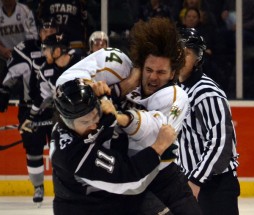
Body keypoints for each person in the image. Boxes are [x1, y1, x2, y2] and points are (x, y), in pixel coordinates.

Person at [56, 17, 202, 215]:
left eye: (161, 72)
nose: (153, 77)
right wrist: (92, 87)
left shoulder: (175, 97)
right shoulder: (115, 64)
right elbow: (65, 86)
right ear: (139, 64)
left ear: (172, 73)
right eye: (148, 69)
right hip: (118, 177)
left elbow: (155, 133)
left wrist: (119, 111)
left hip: (157, 172)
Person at [51, 78, 178, 215]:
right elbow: (132, 181)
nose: (94, 124)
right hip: (86, 207)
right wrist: (159, 148)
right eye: (86, 122)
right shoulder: (73, 156)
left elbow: (102, 123)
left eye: (95, 115)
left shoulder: (77, 123)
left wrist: (104, 95)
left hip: (111, 198)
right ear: (67, 122)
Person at [0, 18, 57, 205]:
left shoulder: (63, 50)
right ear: (39, 32)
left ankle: (62, 185)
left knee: (62, 150)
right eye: (46, 30)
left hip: (57, 111)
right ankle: (38, 186)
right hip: (30, 110)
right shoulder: (27, 49)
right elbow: (12, 74)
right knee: (34, 150)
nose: (49, 33)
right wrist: (4, 89)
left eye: (52, 30)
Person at [177, 27, 240, 215]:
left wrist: (195, 181)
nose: (179, 57)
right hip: (192, 183)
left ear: (198, 58)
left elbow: (221, 144)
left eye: (186, 53)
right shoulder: (178, 89)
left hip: (215, 187)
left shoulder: (206, 92)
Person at [18, 32, 83, 204]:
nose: (44, 53)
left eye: (47, 49)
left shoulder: (80, 63)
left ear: (58, 51)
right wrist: (30, 118)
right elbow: (41, 98)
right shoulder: (46, 71)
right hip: (68, 117)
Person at [0, 0, 38, 94]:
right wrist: (2, 49)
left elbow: (32, 38)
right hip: (3, 54)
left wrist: (18, 52)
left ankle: (28, 100)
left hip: (24, 53)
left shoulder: (24, 11)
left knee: (30, 69)